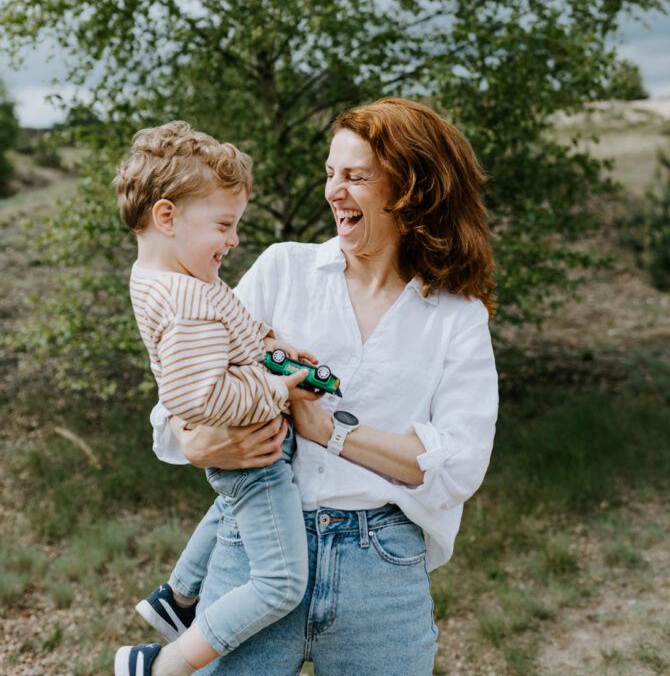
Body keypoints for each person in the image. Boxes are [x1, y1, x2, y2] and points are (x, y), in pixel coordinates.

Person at [152, 97, 499, 676]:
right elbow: (177, 406)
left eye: (355, 177)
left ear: (411, 188)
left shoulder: (456, 316)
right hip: (254, 552)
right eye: (330, 174)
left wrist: (328, 431)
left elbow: (458, 465)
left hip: (381, 570)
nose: (334, 191)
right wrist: (197, 444)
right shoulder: (282, 270)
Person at [112, 122, 321, 676]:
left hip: (246, 457)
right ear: (166, 217)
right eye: (225, 225)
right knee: (280, 584)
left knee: (228, 505)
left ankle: (177, 595)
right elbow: (200, 394)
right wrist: (278, 388)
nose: (233, 240)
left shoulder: (175, 276)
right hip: (253, 455)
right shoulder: (185, 302)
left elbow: (228, 334)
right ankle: (162, 664)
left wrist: (269, 347)